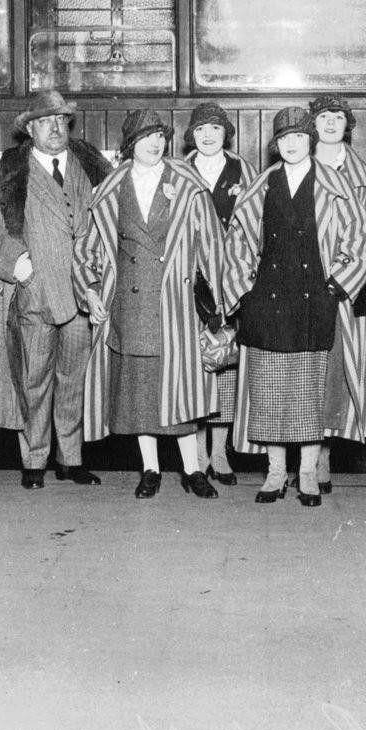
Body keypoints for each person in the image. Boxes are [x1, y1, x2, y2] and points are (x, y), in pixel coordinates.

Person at [220, 106, 366, 508]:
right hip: (267, 300)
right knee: (270, 392)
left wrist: (336, 287)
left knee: (311, 393)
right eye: (284, 139)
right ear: (276, 145)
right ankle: (276, 473)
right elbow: (237, 242)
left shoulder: (335, 185)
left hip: (316, 298)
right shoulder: (263, 185)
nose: (291, 145)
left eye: (299, 138)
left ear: (311, 141)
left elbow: (361, 241)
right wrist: (245, 291)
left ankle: (307, 472)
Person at [0, 91, 114, 490]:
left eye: (61, 120)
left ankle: (71, 458)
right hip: (33, 292)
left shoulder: (92, 166)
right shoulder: (8, 173)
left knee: (75, 379)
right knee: (33, 379)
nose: (54, 128)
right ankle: (34, 459)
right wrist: (15, 262)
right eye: (45, 121)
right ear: (29, 129)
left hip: (85, 294)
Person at [74, 110, 226, 499]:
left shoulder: (188, 184)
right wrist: (90, 290)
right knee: (140, 394)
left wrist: (217, 305)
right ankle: (151, 469)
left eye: (160, 136)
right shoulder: (111, 188)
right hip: (130, 305)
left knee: (181, 389)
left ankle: (192, 470)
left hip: (176, 304)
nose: (155, 143)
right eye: (146, 137)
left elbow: (211, 245)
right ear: (130, 145)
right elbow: (88, 250)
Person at [183, 103, 256, 485]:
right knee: (194, 365)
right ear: (191, 136)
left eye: (215, 128)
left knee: (227, 363)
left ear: (226, 133)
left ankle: (219, 453)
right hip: (190, 280)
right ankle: (195, 454)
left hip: (233, 277)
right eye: (200, 130)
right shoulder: (179, 171)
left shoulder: (244, 170)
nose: (208, 135)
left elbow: (257, 222)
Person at [310, 94, 366, 494]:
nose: (332, 123)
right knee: (303, 370)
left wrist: (344, 278)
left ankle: (323, 454)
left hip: (342, 287)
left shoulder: (362, 172)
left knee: (335, 372)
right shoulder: (297, 159)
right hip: (301, 285)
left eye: (339, 117)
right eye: (324, 117)